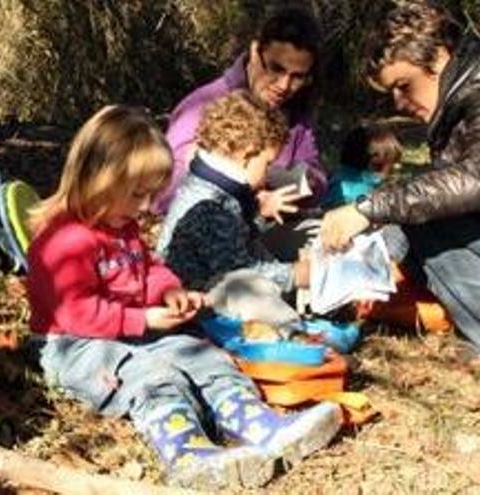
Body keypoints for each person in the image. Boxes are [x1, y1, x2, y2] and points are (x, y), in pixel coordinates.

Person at [25, 105, 340, 490]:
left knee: (203, 355)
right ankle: (187, 451)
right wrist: (142, 320)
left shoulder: (120, 225)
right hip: (76, 344)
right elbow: (74, 311)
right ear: (98, 179)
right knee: (151, 376)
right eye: (137, 194)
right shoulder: (64, 241)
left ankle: (256, 422)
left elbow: (148, 267)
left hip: (130, 327)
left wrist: (168, 291)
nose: (145, 207)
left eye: (150, 195)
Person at [320, 0, 480, 362]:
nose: (399, 102)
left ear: (438, 56)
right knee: (415, 212)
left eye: (404, 85)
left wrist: (368, 209)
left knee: (421, 217)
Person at [153, 6, 327, 214]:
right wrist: (251, 201)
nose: (284, 85)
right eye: (276, 68)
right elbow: (162, 192)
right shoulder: (203, 106)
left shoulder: (296, 114)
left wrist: (310, 182)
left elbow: (316, 176)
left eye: (297, 77)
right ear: (255, 52)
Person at [157, 91, 309, 327]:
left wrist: (260, 214)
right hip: (200, 300)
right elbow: (239, 273)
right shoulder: (209, 205)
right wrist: (295, 275)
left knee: (296, 237)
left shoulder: (215, 185)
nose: (268, 172)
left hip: (221, 275)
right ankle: (293, 337)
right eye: (267, 164)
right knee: (250, 291)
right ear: (247, 155)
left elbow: (236, 239)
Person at [322, 124, 402, 208]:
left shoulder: (337, 182)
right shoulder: (365, 195)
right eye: (391, 165)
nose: (397, 167)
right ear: (373, 166)